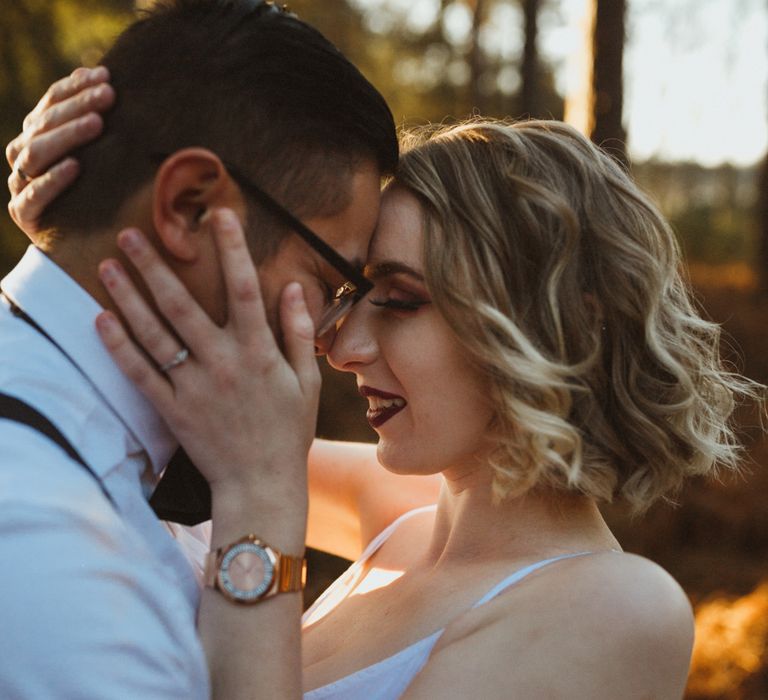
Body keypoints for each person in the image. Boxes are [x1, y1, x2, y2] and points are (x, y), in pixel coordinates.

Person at [14, 105, 757, 695]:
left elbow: (252, 472)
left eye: (400, 299)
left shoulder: (615, 609)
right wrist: (86, 230)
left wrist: (260, 501)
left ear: (562, 319)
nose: (339, 346)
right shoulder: (398, 507)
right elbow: (170, 425)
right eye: (347, 293)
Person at [0, 1, 399, 697]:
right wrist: (263, 498)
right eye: (330, 282)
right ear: (188, 205)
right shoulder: (54, 554)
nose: (332, 342)